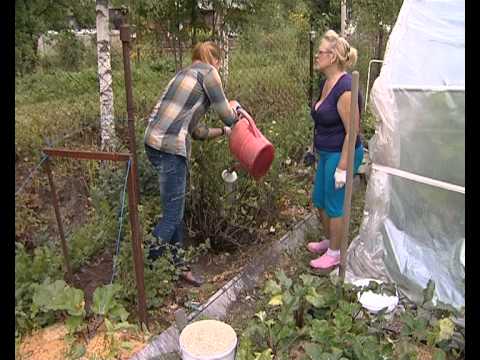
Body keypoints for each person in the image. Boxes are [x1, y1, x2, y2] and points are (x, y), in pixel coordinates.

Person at [144, 41, 241, 286]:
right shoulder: (209, 73)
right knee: (172, 217)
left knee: (173, 212)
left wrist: (222, 131)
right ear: (216, 61)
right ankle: (145, 271)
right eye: (219, 64)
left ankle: (179, 267)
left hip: (153, 144)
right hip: (170, 148)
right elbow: (227, 114)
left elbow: (196, 131)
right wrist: (235, 111)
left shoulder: (185, 74)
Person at [307, 30, 364, 271]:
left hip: (343, 153)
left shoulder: (346, 88)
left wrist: (343, 166)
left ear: (332, 57)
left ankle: (336, 254)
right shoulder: (326, 83)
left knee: (334, 203)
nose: (316, 56)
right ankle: (332, 241)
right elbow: (322, 116)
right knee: (319, 199)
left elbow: (353, 132)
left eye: (320, 52)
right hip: (326, 152)